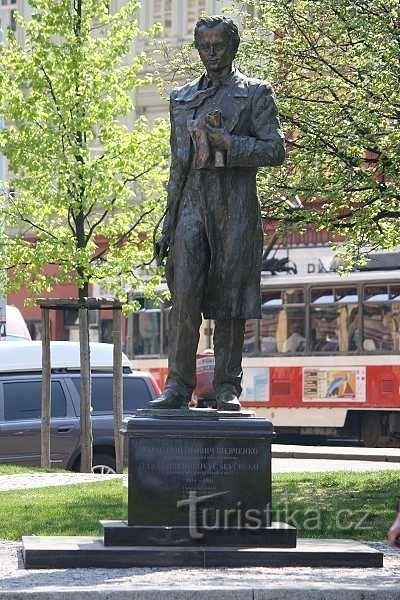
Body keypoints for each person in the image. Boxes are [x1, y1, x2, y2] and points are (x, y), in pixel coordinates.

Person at [152, 15, 285, 410]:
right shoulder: (182, 98)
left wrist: (232, 143)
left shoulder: (255, 93)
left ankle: (228, 386)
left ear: (234, 47)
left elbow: (275, 150)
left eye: (218, 45)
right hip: (191, 204)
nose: (211, 53)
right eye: (204, 46)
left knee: (230, 301)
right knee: (185, 297)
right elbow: (178, 165)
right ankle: (178, 386)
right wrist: (168, 222)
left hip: (235, 208)